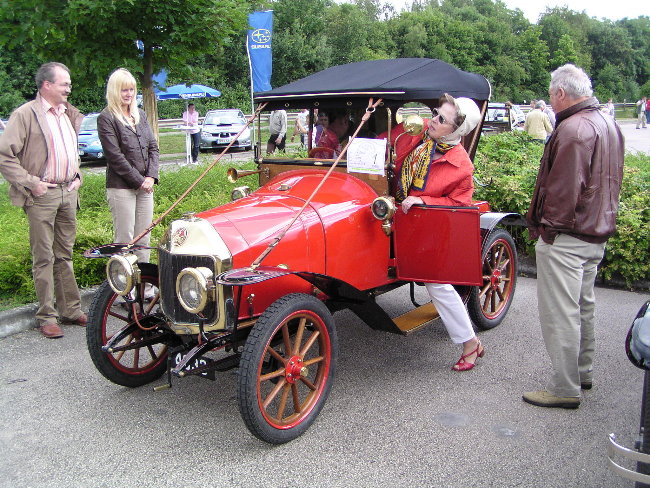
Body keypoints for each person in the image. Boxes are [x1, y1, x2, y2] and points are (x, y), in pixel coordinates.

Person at [524, 64, 624, 409]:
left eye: (552, 95)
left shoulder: (573, 129)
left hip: (567, 235)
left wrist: (548, 231)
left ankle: (564, 388)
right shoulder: (607, 122)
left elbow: (563, 190)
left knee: (561, 313)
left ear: (561, 94)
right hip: (595, 232)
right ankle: (582, 372)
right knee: (582, 307)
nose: (551, 102)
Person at [388, 94, 484, 371]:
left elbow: (458, 204)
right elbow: (387, 151)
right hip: (395, 214)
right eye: (435, 113)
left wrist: (424, 201)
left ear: (456, 130)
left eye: (442, 119)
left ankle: (470, 343)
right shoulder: (417, 138)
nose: (433, 120)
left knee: (437, 284)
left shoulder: (461, 165)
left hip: (427, 228)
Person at [0, 62, 86, 338]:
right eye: (64, 83)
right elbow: (4, 155)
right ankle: (46, 316)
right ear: (46, 85)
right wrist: (30, 183)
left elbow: (70, 152)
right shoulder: (25, 114)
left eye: (69, 83)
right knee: (44, 257)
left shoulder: (67, 113)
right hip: (42, 195)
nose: (69, 88)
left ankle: (70, 310)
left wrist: (77, 176)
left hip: (67, 192)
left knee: (65, 254)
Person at [97, 68, 159, 268]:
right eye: (124, 90)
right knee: (125, 240)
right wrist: (139, 181)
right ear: (114, 91)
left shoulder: (139, 114)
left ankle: (145, 285)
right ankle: (124, 288)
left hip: (145, 186)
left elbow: (153, 147)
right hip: (121, 187)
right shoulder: (106, 118)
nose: (129, 94)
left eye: (131, 90)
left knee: (144, 239)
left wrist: (150, 176)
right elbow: (114, 156)